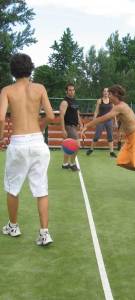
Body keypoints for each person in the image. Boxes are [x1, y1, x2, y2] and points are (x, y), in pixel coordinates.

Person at [0, 53, 55, 246]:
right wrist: (39, 127)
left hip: (18, 143)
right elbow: (50, 115)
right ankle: (44, 233)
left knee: (12, 187)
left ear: (12, 71)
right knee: (41, 188)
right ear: (30, 68)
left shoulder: (7, 90)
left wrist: (0, 137)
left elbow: (0, 118)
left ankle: (13, 226)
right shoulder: (39, 88)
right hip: (38, 143)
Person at [82, 84, 135, 200]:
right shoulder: (117, 106)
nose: (108, 95)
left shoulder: (121, 106)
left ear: (115, 95)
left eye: (110, 94)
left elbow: (104, 118)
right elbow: (121, 121)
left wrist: (87, 125)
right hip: (130, 138)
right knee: (121, 161)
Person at [86, 88, 117, 157]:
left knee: (110, 136)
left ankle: (111, 152)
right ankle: (91, 149)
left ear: (109, 93)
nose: (106, 93)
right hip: (100, 120)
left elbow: (113, 112)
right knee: (97, 135)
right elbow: (96, 111)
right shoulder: (99, 101)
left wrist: (115, 121)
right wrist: (94, 121)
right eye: (104, 91)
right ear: (103, 92)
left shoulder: (111, 101)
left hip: (109, 120)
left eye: (107, 91)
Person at [60, 83, 83, 171]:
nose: (72, 91)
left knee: (68, 146)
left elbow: (77, 113)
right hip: (68, 126)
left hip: (74, 126)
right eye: (70, 90)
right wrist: (63, 129)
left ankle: (65, 164)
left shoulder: (74, 100)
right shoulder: (65, 102)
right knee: (77, 145)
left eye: (73, 90)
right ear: (66, 91)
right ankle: (72, 164)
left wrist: (80, 123)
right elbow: (61, 116)